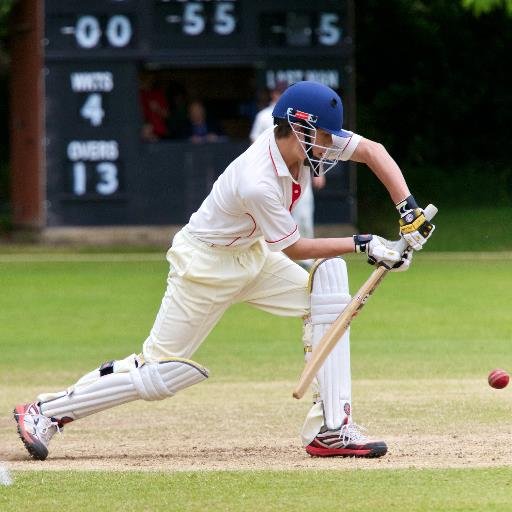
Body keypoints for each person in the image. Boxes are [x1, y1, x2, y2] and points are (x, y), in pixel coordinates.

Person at [14, 81, 434, 461]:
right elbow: (294, 248)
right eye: (325, 137)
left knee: (328, 286)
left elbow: (372, 151)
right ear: (300, 127)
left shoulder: (309, 141)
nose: (331, 147)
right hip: (204, 266)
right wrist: (365, 243)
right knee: (159, 372)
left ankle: (332, 428)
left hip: (250, 257)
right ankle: (45, 411)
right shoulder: (258, 179)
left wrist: (407, 212)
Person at [250, 82, 325, 268]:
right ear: (273, 94)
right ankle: (273, 259)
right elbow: (254, 146)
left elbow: (315, 144)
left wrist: (318, 172)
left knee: (304, 215)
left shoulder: (302, 115)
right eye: (278, 93)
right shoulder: (263, 117)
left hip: (299, 172)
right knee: (273, 218)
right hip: (272, 175)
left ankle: (306, 262)